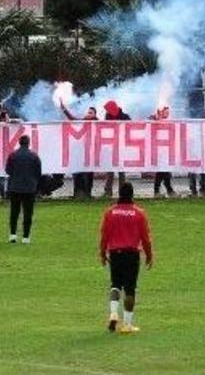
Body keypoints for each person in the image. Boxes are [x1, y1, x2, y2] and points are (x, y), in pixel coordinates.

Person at [99, 182, 153, 334]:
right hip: (132, 254)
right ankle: (127, 324)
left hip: (115, 253)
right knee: (130, 289)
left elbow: (104, 236)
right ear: (132, 195)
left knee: (115, 284)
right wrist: (149, 255)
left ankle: (113, 313)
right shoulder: (139, 213)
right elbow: (145, 238)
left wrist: (103, 253)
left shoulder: (110, 212)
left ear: (119, 194)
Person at [5, 135, 42, 244]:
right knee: (28, 213)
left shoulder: (12, 155)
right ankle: (26, 236)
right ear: (28, 143)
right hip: (29, 188)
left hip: (15, 187)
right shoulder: (34, 156)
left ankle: (12, 235)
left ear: (19, 143)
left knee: (14, 212)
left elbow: (8, 170)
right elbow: (38, 173)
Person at [62, 104, 98, 199]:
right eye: (88, 112)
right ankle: (77, 193)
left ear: (95, 115)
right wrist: (64, 109)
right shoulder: (82, 122)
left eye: (90, 113)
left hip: (90, 152)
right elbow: (72, 119)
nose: (88, 114)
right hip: (80, 152)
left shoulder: (97, 124)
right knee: (77, 172)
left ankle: (87, 193)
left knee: (89, 173)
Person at [101, 101, 131, 198]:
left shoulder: (125, 117)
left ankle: (122, 192)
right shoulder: (108, 116)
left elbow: (131, 127)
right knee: (110, 170)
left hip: (121, 147)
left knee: (121, 171)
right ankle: (108, 191)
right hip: (111, 147)